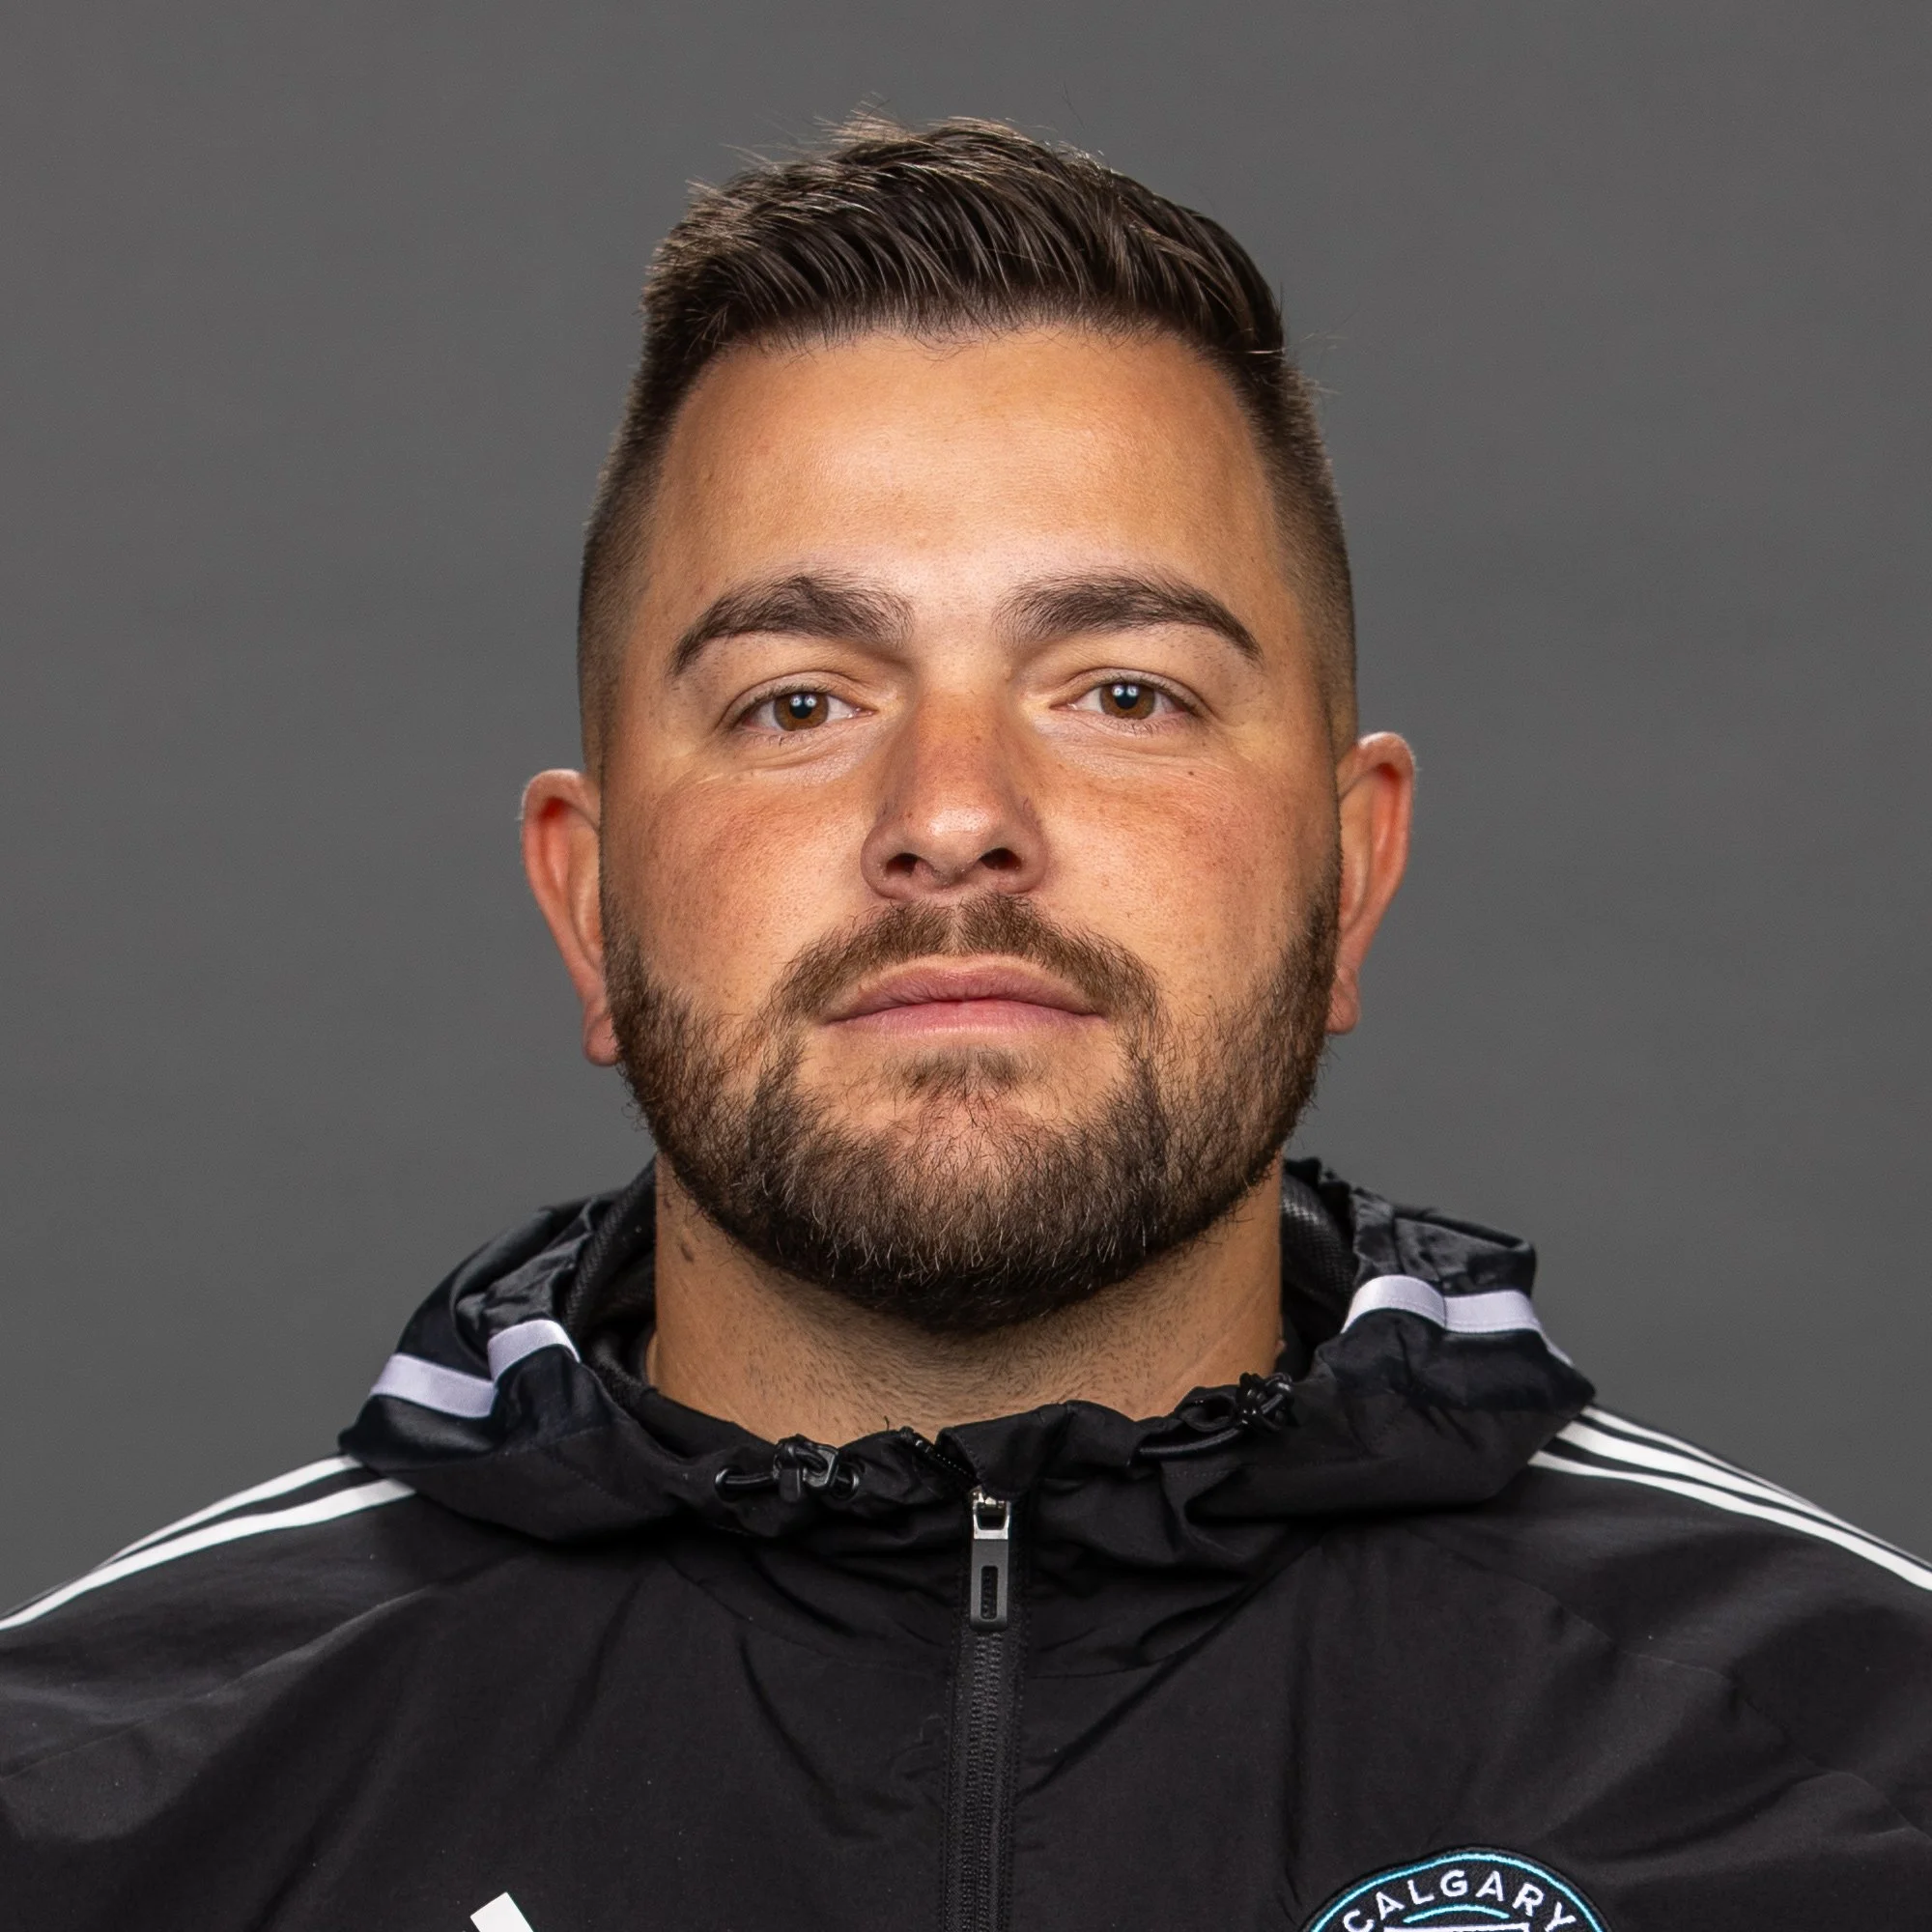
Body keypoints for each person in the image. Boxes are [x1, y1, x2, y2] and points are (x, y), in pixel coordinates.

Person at [2, 115, 1927, 1932]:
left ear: (1353, 867)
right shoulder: (94, 1801)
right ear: (587, 901)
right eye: (797, 702)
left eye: (1122, 692)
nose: (948, 816)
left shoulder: (1853, 1762)